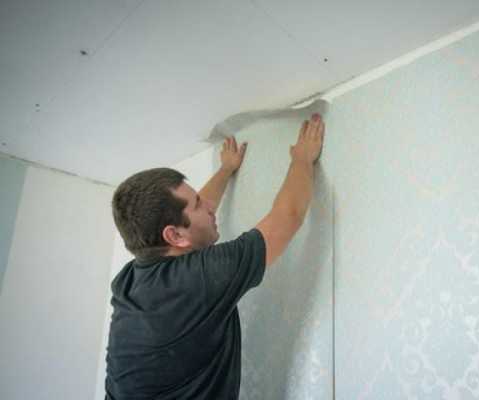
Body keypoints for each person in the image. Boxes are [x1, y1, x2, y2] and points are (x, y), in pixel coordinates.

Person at [105, 113, 325, 399]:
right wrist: (302, 159)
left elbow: (188, 220)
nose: (209, 206)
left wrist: (226, 169)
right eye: (198, 204)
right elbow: (288, 218)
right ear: (174, 236)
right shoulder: (197, 280)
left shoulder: (131, 278)